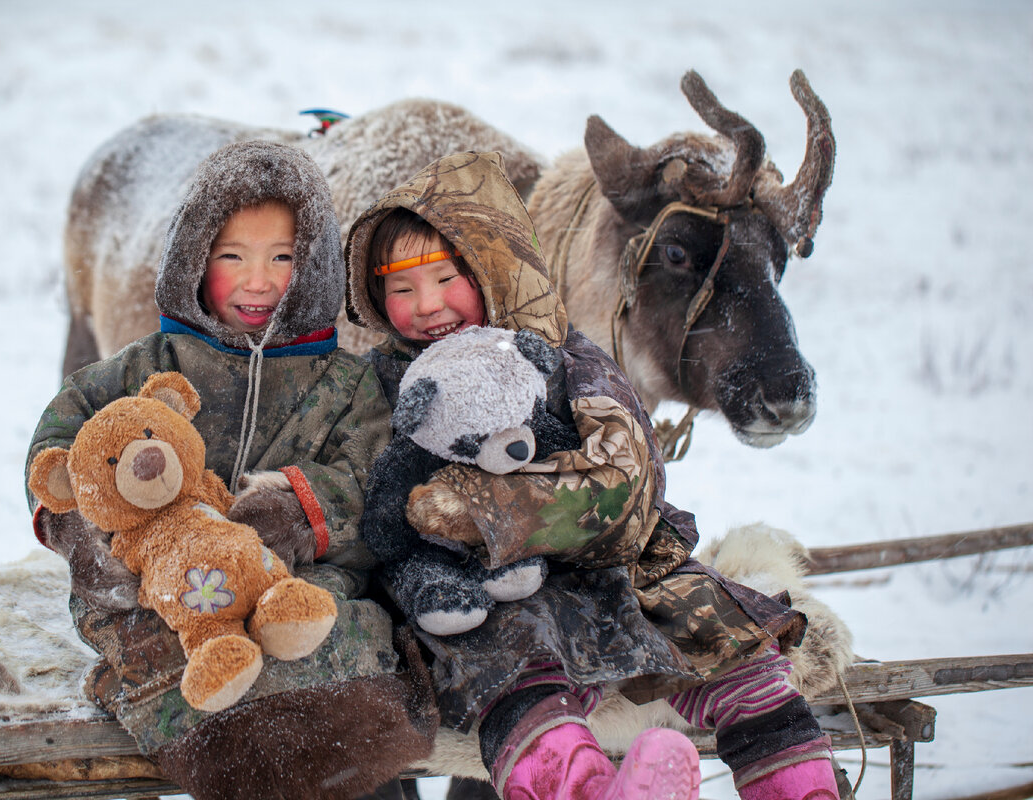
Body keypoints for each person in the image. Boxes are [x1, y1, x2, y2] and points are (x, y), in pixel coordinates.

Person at [343, 151, 840, 800]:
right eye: (401, 290)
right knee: (514, 670)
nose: (427, 306)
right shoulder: (383, 383)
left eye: (446, 279)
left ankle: (799, 787)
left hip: (613, 559)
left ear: (493, 267)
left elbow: (629, 473)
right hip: (490, 591)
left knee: (730, 642)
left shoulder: (566, 357)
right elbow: (367, 491)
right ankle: (587, 791)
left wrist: (499, 511)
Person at [25, 140, 437, 800]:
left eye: (283, 258)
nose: (259, 280)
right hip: (164, 594)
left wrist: (303, 510)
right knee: (202, 694)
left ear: (314, 268)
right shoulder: (149, 365)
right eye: (232, 257)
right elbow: (65, 430)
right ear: (194, 258)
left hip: (301, 591)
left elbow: (377, 489)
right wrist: (80, 519)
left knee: (348, 706)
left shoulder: (345, 385)